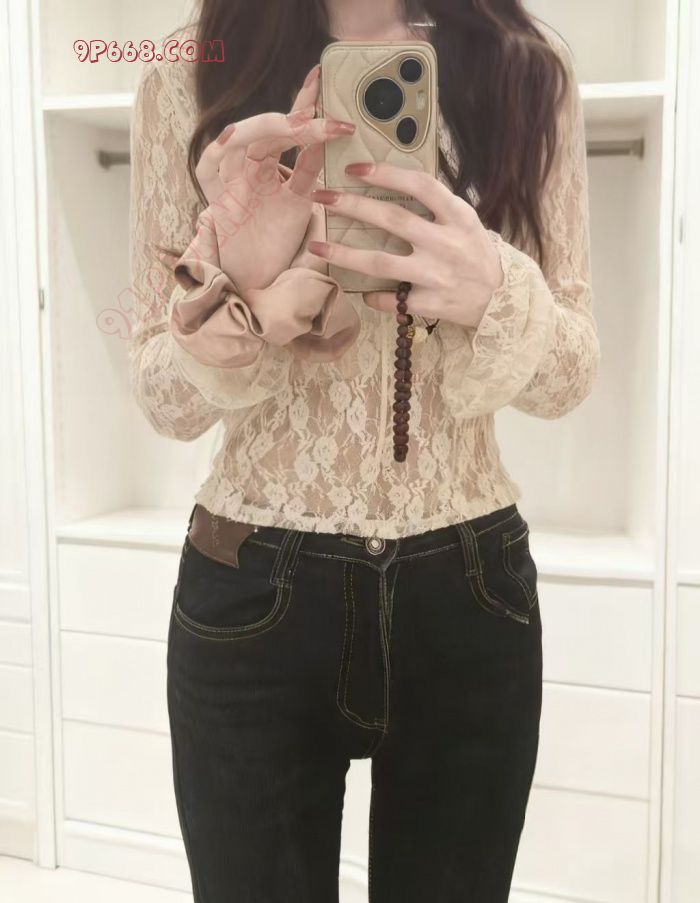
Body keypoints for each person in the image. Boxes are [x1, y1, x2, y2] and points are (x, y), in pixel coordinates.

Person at [128, 1, 600, 900]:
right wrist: (248, 295)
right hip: (251, 594)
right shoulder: (191, 73)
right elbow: (163, 398)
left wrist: (492, 289)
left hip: (468, 590)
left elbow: (569, 374)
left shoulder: (527, 68)